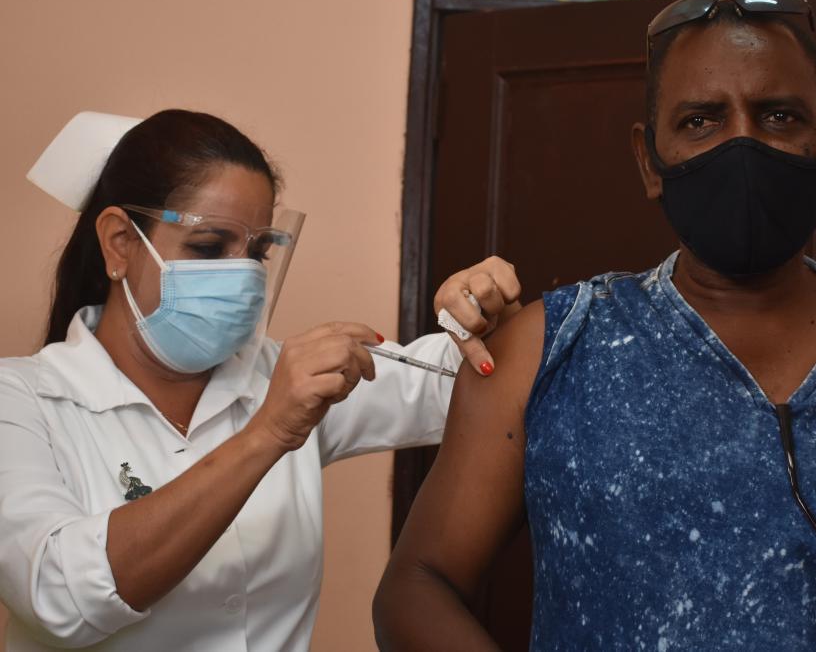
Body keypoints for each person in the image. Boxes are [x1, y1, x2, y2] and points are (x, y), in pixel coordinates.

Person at [374, 0, 816, 651]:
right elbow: (418, 586)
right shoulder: (549, 348)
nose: (742, 144)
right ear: (647, 160)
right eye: (700, 121)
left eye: (778, 115)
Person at [0, 109, 522, 651]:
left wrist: (488, 317)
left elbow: (462, 387)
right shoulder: (22, 400)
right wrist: (267, 433)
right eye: (209, 246)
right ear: (118, 242)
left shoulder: (276, 377)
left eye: (257, 252)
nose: (242, 273)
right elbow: (58, 596)